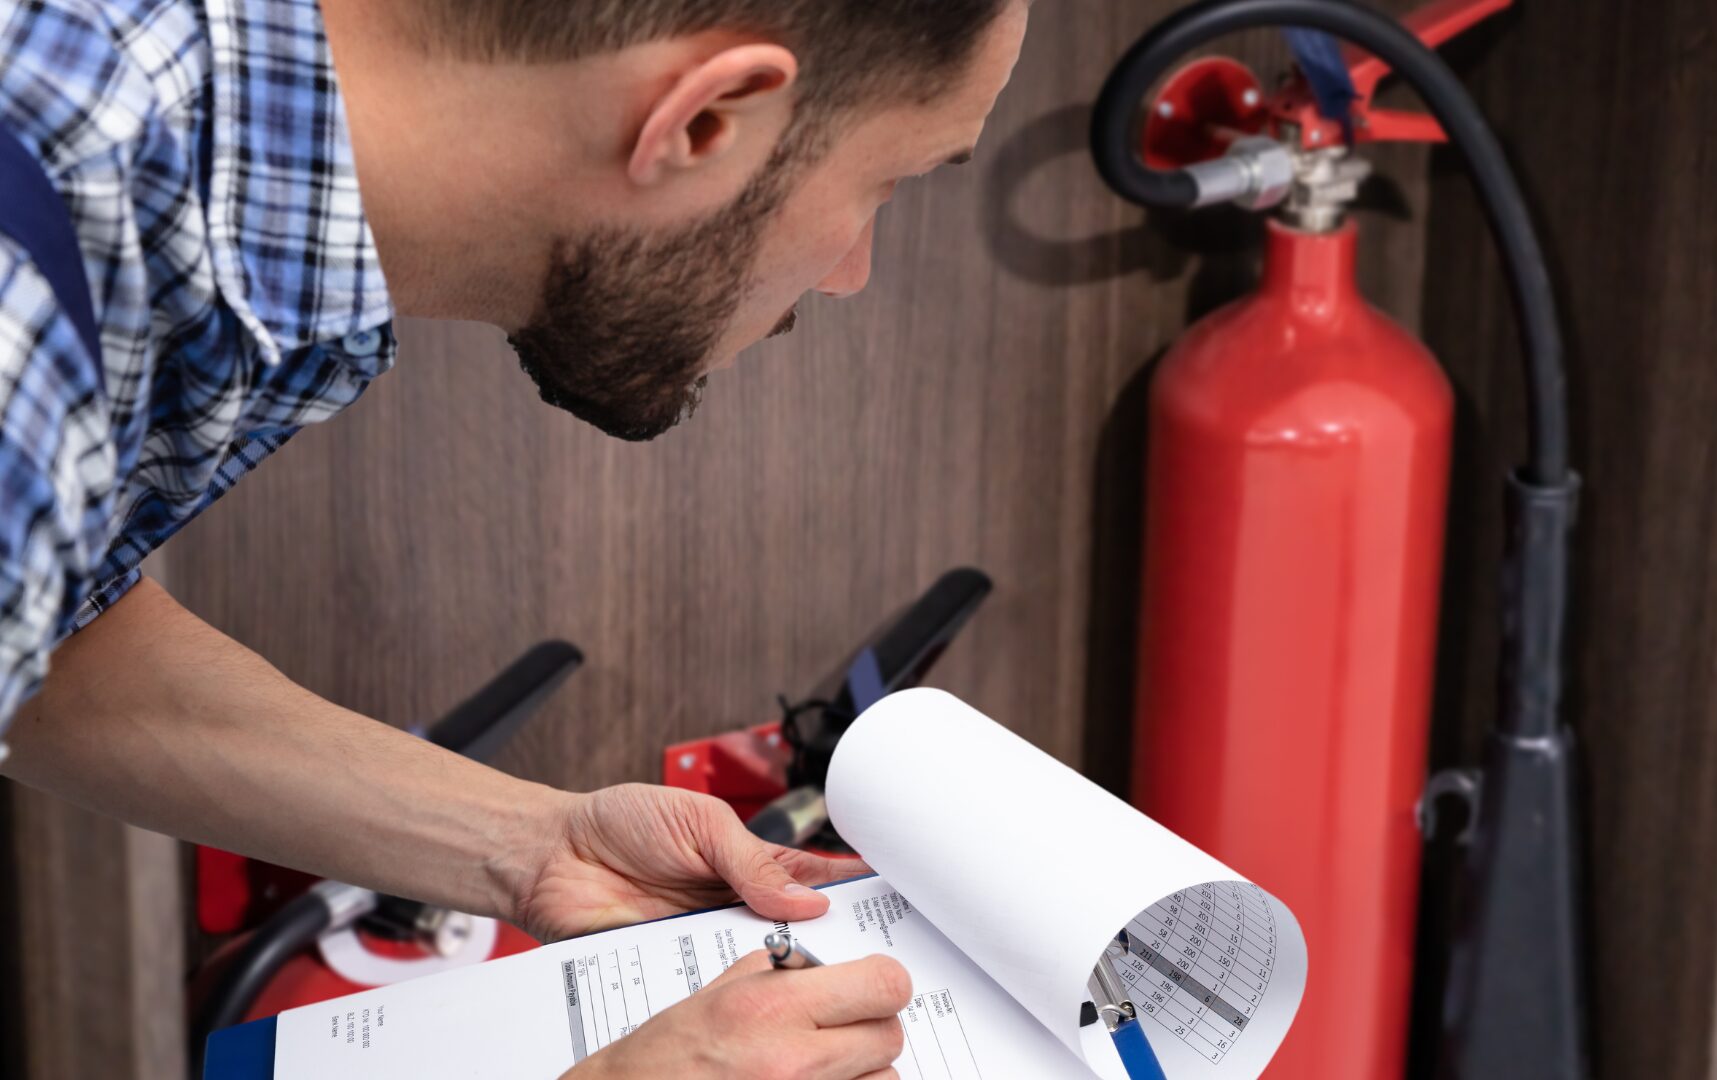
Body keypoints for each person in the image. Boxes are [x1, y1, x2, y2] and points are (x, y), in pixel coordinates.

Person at [0, 0, 1029, 1075]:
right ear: (706, 121)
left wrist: (535, 846)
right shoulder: (24, 304)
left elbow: (58, 637)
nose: (852, 271)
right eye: (889, 183)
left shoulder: (177, 140)